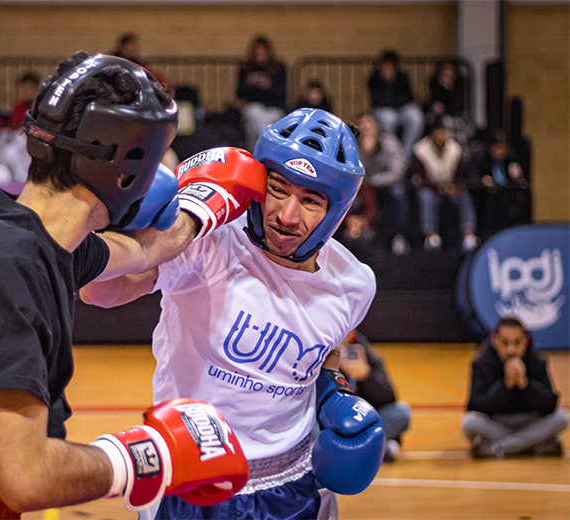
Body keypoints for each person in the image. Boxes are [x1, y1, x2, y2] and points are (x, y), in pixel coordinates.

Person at [0, 52, 269, 520]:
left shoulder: (22, 233)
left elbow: (142, 253)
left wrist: (206, 204)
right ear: (126, 166)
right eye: (155, 159)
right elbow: (27, 478)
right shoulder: (7, 271)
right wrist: (156, 456)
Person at [81, 108, 386, 520]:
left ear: (337, 210)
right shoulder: (206, 240)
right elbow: (98, 290)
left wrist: (333, 392)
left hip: (294, 488)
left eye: (310, 200)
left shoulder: (353, 284)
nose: (287, 216)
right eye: (278, 189)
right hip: (190, 480)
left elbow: (323, 353)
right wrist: (154, 220)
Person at [461, 317, 569, 459]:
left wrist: (525, 385)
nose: (511, 349)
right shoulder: (481, 363)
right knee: (469, 423)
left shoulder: (537, 361)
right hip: (498, 423)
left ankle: (497, 449)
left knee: (563, 418)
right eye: (505, 343)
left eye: (517, 343)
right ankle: (535, 444)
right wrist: (506, 386)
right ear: (495, 341)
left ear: (526, 341)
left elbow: (550, 404)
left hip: (530, 421)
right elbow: (474, 405)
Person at [338, 329, 412, 462]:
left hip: (363, 425)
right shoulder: (318, 354)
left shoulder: (365, 351)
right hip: (332, 425)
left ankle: (343, 452)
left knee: (401, 412)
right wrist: (333, 368)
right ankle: (372, 450)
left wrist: (366, 376)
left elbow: (389, 398)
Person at [411, 118, 478, 252]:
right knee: (426, 197)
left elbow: (461, 174)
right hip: (430, 188)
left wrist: (454, 187)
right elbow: (420, 177)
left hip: (451, 188)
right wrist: (437, 187)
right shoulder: (420, 150)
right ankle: (431, 235)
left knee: (464, 197)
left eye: (443, 133)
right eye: (438, 133)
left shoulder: (455, 149)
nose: (441, 136)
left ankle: (469, 234)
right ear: (432, 135)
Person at [356, 112, 410, 255]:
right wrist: (364, 152)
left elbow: (397, 172)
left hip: (387, 185)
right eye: (362, 124)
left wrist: (375, 181)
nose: (366, 128)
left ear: (376, 126)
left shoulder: (390, 143)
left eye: (368, 124)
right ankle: (361, 234)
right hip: (365, 187)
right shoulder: (355, 146)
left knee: (398, 193)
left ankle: (398, 236)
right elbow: (355, 171)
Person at [472, 129, 531, 240]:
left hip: (506, 195)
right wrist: (483, 179)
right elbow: (473, 174)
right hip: (486, 197)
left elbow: (518, 176)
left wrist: (517, 174)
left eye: (503, 148)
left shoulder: (510, 158)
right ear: (491, 147)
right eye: (497, 148)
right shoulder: (482, 158)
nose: (501, 151)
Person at [368, 49, 424, 164]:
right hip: (383, 111)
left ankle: (406, 155)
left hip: (400, 110)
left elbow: (409, 98)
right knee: (389, 118)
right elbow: (379, 101)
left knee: (415, 116)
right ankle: (392, 154)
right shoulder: (374, 79)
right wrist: (387, 83)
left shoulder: (401, 77)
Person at [236, 35, 287, 152]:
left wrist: (269, 85)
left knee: (265, 123)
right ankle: (264, 152)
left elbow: (283, 94)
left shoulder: (278, 68)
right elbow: (239, 93)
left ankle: (259, 153)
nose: (260, 57)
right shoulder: (246, 68)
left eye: (263, 53)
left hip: (273, 109)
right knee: (254, 116)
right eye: (258, 54)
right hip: (254, 107)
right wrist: (249, 84)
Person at [424, 60, 470, 145]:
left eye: (450, 71)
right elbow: (430, 102)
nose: (447, 74)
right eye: (444, 71)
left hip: (454, 115)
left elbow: (457, 106)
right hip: (436, 116)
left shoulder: (459, 86)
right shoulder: (434, 83)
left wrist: (449, 89)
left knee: (451, 122)